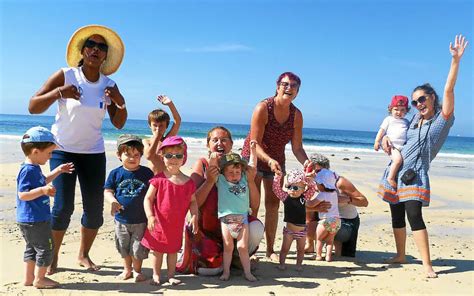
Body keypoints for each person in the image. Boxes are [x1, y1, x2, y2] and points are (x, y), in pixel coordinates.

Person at [28, 25, 127, 274]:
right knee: (62, 207)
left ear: (106, 55)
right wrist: (60, 92)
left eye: (101, 47)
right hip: (63, 150)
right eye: (91, 46)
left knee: (94, 210)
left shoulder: (109, 84)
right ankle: (52, 257)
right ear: (82, 51)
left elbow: (119, 123)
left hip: (93, 154)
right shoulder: (66, 75)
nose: (95, 50)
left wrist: (118, 100)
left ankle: (83, 255)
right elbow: (33, 106)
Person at [378, 35, 468, 278]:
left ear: (433, 99)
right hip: (395, 172)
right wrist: (386, 139)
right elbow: (396, 131)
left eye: (422, 99)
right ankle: (400, 254)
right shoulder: (414, 120)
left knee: (414, 215)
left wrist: (455, 61)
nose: (418, 104)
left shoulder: (442, 121)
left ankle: (427, 265)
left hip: (415, 175)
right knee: (396, 213)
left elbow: (449, 89)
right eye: (415, 101)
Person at [241, 72, 311, 261]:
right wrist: (268, 160)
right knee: (252, 205)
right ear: (278, 86)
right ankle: (250, 249)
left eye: (294, 85)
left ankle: (270, 249)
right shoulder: (263, 108)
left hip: (277, 161)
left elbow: (297, 148)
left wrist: (306, 162)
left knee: (273, 204)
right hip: (254, 157)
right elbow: (254, 142)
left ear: (298, 91)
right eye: (285, 84)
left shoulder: (296, 115)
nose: (289, 88)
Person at [176, 126, 264, 276]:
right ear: (207, 145)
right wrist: (209, 181)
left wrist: (250, 182)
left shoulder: (238, 167)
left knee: (256, 228)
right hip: (208, 230)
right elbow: (192, 201)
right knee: (212, 270)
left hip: (236, 222)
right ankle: (216, 257)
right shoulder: (202, 164)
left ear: (231, 144)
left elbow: (254, 204)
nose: (219, 143)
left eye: (224, 140)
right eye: (214, 140)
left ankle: (236, 257)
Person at [17, 126, 74, 288]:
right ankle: (40, 279)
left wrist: (57, 171)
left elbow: (43, 181)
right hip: (35, 219)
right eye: (49, 153)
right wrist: (43, 191)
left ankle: (29, 278)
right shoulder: (28, 170)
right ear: (36, 151)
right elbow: (23, 194)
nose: (50, 157)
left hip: (29, 219)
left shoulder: (33, 168)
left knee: (32, 249)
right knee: (47, 248)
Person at [141, 136, 199, 286]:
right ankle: (156, 275)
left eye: (178, 156)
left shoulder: (188, 182)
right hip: (158, 223)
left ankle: (171, 275)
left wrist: (194, 216)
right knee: (157, 251)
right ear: (162, 156)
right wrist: (150, 216)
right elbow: (148, 199)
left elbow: (193, 202)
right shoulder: (159, 179)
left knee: (173, 251)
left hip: (175, 225)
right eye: (169, 155)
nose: (173, 159)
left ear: (183, 158)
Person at [104, 134, 154, 282]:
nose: (132, 158)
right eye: (128, 154)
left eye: (136, 155)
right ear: (119, 155)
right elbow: (108, 190)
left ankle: (137, 271)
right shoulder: (115, 173)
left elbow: (153, 192)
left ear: (141, 156)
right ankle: (127, 270)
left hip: (141, 219)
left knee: (138, 248)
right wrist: (112, 201)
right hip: (121, 219)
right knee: (123, 246)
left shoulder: (146, 173)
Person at [305, 153, 369, 258]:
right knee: (305, 216)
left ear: (327, 170)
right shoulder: (313, 182)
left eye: (318, 171)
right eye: (312, 171)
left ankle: (336, 246)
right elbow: (302, 205)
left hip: (347, 222)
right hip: (327, 218)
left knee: (323, 226)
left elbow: (364, 202)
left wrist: (346, 199)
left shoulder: (340, 182)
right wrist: (316, 207)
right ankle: (310, 245)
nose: (315, 174)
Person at [210, 147, 258, 281]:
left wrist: (253, 151)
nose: (234, 175)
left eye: (237, 171)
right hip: (226, 219)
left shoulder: (244, 179)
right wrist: (213, 158)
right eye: (230, 172)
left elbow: (252, 166)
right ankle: (226, 272)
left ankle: (247, 273)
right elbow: (212, 168)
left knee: (242, 247)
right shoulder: (221, 180)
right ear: (223, 172)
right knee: (228, 247)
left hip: (243, 219)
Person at [272, 169, 319, 270]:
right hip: (289, 231)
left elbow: (312, 189)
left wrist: (309, 179)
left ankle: (298, 265)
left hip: (302, 231)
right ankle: (282, 264)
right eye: (289, 187)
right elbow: (276, 189)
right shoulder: (285, 197)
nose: (292, 190)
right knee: (284, 249)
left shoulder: (304, 197)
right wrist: (277, 177)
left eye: (296, 187)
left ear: (303, 189)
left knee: (300, 250)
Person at [374, 95, 410, 188]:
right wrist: (377, 141)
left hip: (402, 147)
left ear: (406, 111)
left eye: (402, 110)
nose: (399, 112)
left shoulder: (406, 121)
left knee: (401, 162)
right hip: (392, 146)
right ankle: (390, 177)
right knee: (398, 160)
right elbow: (381, 131)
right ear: (391, 109)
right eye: (396, 109)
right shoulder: (389, 119)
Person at [143, 95, 182, 174]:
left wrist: (170, 104)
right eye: (155, 125)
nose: (158, 128)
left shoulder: (167, 140)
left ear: (166, 126)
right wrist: (157, 138)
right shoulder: (146, 141)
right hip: (152, 179)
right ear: (150, 125)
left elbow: (177, 120)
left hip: (166, 178)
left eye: (161, 126)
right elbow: (149, 156)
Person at [314, 169, 340, 262]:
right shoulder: (334, 194)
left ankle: (318, 255)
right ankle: (328, 257)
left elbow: (311, 204)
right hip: (336, 221)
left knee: (319, 239)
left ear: (322, 184)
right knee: (330, 240)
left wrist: (306, 202)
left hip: (325, 220)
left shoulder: (322, 194)